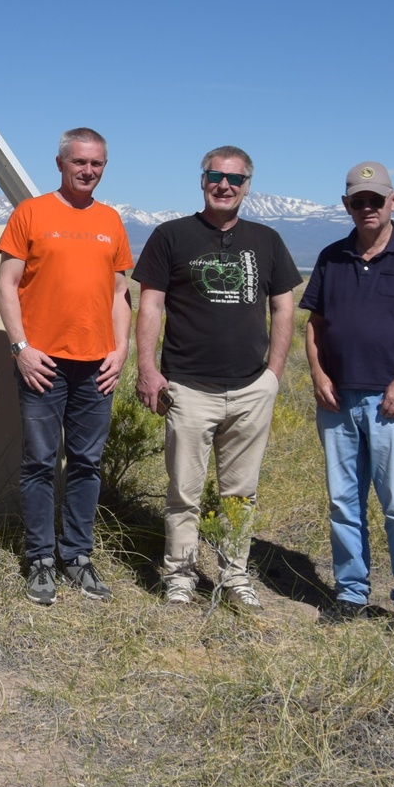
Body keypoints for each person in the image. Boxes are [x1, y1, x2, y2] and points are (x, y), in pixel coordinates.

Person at [134, 146, 300, 610]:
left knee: (240, 492)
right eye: (215, 176)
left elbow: (283, 306)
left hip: (251, 388)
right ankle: (181, 575)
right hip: (187, 386)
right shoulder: (171, 236)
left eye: (235, 179)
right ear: (202, 180)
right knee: (183, 492)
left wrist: (274, 374)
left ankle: (234, 576)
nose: (224, 185)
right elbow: (150, 303)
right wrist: (148, 369)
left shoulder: (266, 240)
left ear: (248, 186)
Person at [301, 162, 394, 631]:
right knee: (344, 502)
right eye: (357, 201)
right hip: (337, 401)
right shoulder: (332, 256)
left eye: (375, 200)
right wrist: (318, 374)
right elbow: (315, 324)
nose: (367, 208)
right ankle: (350, 593)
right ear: (346, 205)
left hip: (393, 404)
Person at [0, 128, 134, 605]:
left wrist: (121, 350)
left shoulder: (111, 221)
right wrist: (21, 349)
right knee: (38, 463)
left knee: (86, 463)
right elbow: (6, 285)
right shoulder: (31, 213)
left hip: (97, 364)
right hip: (44, 364)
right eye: (79, 162)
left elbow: (120, 294)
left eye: (96, 164)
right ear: (60, 163)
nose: (88, 171)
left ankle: (77, 557)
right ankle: (40, 559)